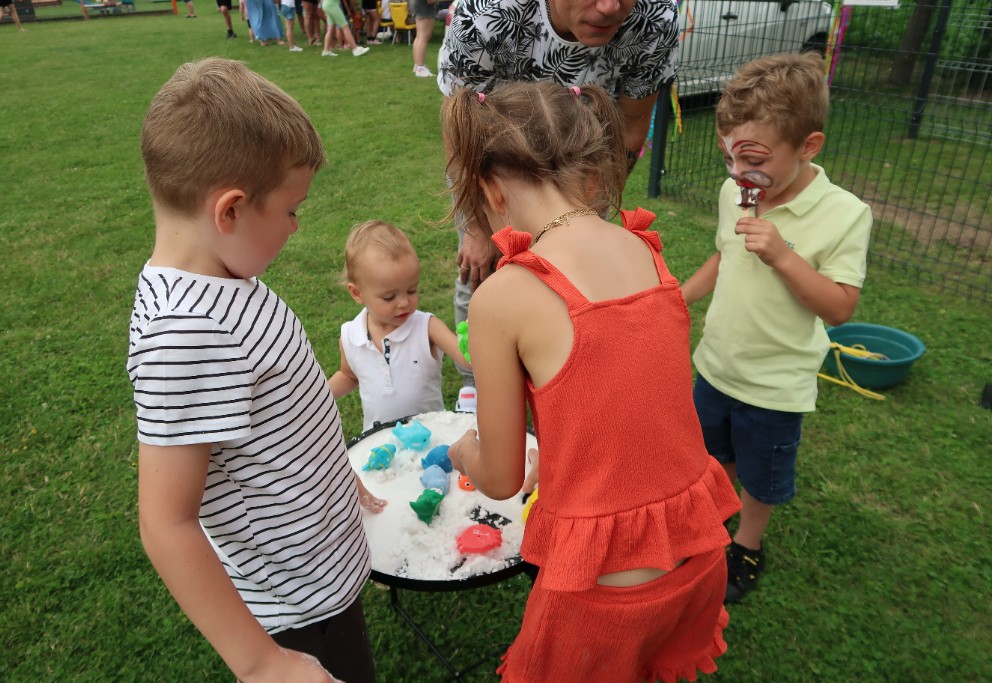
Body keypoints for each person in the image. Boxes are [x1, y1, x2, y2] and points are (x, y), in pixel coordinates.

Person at [443, 80, 741, 682]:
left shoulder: (503, 296)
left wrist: (464, 451)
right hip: (699, 555)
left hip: (604, 589)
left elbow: (498, 478)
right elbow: (619, 407)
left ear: (490, 188)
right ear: (591, 173)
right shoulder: (642, 247)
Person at [129, 58, 376, 683]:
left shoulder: (224, 278)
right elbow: (166, 522)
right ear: (230, 211)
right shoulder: (186, 334)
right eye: (291, 209)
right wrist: (263, 662)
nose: (296, 225)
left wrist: (332, 480)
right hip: (297, 606)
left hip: (320, 563)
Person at [680, 52, 873, 605]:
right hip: (716, 364)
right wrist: (677, 299)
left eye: (754, 160)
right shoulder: (735, 193)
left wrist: (784, 256)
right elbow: (725, 255)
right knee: (713, 455)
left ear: (809, 146)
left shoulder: (845, 214)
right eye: (729, 157)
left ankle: (747, 543)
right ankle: (713, 523)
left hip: (775, 385)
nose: (738, 174)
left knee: (762, 476)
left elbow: (840, 308)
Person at [437, 0, 679, 389]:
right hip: (496, 172)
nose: (609, 8)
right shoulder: (486, 14)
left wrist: (590, 210)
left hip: (582, 178)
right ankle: (477, 382)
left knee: (571, 284)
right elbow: (459, 126)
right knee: (480, 276)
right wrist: (477, 229)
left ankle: (560, 375)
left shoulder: (655, 19)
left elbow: (632, 129)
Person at [329, 220, 470, 433]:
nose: (404, 302)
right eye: (389, 297)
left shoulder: (427, 328)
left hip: (431, 436)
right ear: (357, 293)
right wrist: (319, 395)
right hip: (381, 442)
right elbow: (348, 376)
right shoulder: (351, 336)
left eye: (411, 290)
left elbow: (467, 359)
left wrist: (471, 340)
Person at [408, 0, 436, 77]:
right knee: (423, 37)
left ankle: (418, 65)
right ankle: (420, 68)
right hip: (424, 7)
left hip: (419, 5)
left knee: (420, 36)